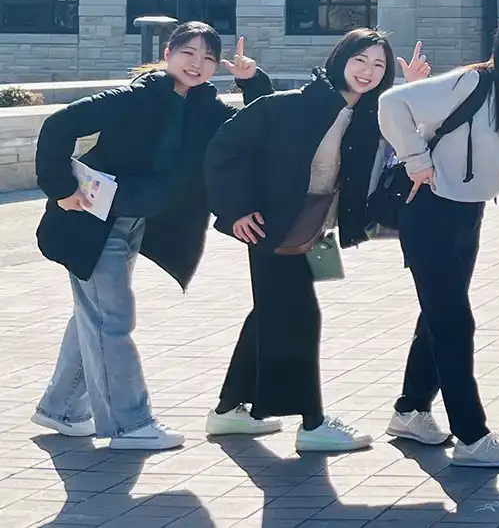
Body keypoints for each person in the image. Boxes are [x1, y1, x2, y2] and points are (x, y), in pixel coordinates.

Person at [32, 22, 274, 450]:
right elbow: (58, 124)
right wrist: (61, 187)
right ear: (168, 53)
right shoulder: (134, 96)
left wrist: (252, 81)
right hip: (91, 219)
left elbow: (257, 128)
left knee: (95, 315)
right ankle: (129, 424)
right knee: (111, 318)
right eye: (189, 53)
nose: (197, 64)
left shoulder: (206, 108)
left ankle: (62, 408)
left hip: (131, 223)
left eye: (207, 57)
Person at [202, 30, 432, 452]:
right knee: (301, 317)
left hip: (313, 230)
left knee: (268, 314)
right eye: (360, 60)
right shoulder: (290, 106)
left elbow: (401, 142)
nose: (368, 72)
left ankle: (228, 410)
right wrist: (236, 209)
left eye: (379, 65)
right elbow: (223, 150)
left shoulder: (364, 116)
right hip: (273, 225)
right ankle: (312, 423)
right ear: (340, 58)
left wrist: (412, 91)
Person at [377, 9, 499, 468]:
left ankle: (410, 410)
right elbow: (393, 103)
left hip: (468, 216)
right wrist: (415, 159)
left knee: (438, 315)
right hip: (428, 210)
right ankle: (472, 436)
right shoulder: (471, 82)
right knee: (454, 322)